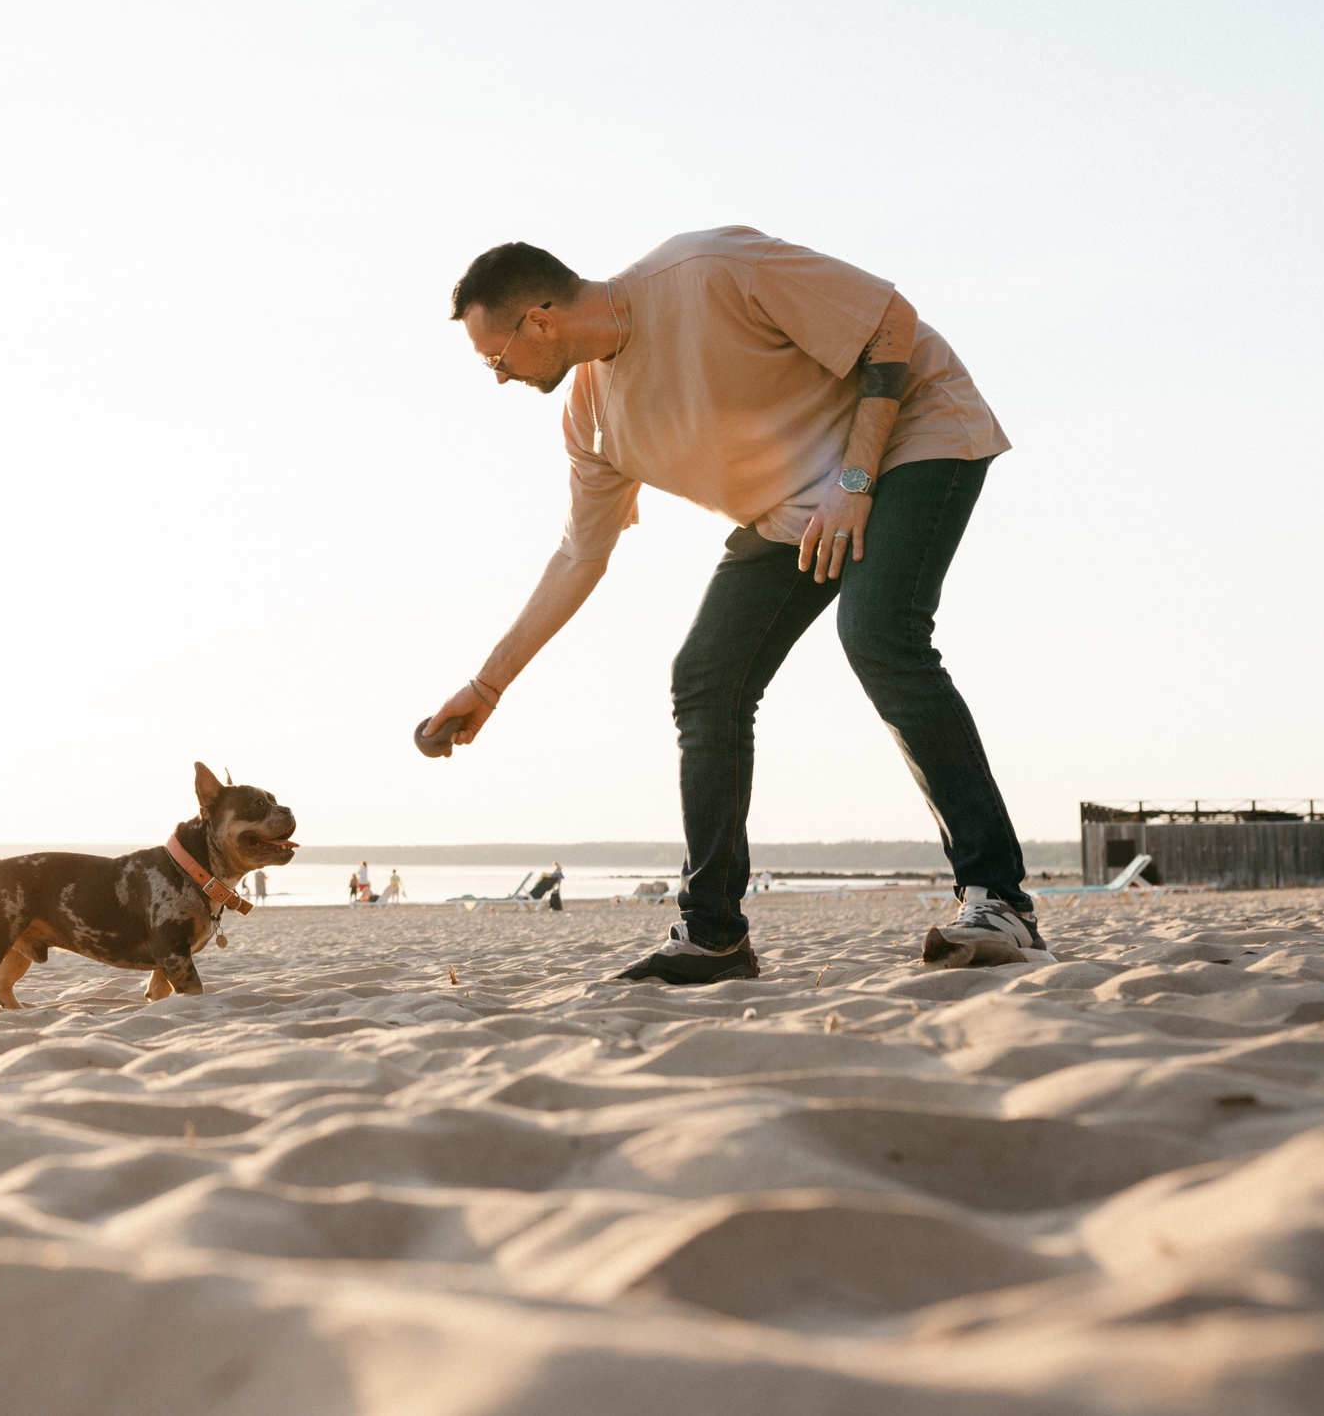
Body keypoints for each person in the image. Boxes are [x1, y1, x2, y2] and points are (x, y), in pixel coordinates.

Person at [423, 228, 1044, 982]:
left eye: (495, 358)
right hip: (795, 510)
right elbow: (580, 556)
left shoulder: (709, 270)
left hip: (914, 431)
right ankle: (713, 934)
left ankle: (999, 898)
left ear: (540, 321)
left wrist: (854, 483)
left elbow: (891, 321)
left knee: (878, 632)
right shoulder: (591, 420)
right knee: (706, 675)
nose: (498, 378)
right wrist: (488, 685)